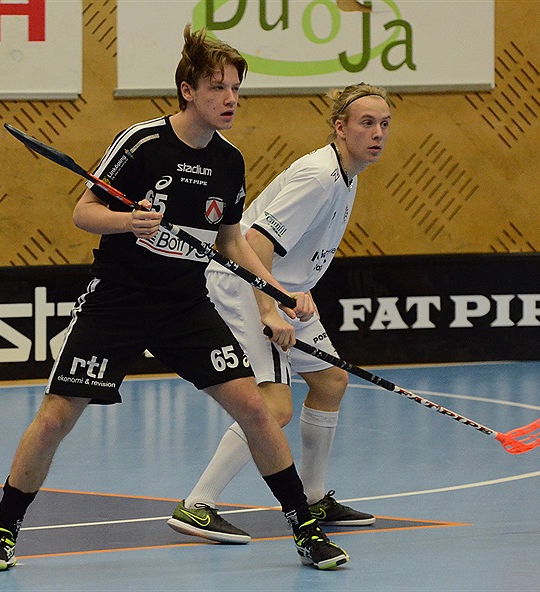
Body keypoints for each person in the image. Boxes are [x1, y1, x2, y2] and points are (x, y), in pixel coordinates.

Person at [0, 25, 350, 572]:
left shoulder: (229, 161)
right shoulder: (142, 143)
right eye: (218, 88)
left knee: (256, 408)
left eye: (236, 89)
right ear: (187, 90)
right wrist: (128, 221)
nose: (230, 99)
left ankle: (306, 531)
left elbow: (231, 241)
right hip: (118, 302)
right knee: (56, 417)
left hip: (185, 306)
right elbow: (84, 212)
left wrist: (274, 291)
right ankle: (2, 533)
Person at [167, 83, 391, 544]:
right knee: (273, 407)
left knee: (330, 381)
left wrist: (292, 293)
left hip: (281, 290)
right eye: (366, 123)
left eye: (384, 124)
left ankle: (314, 498)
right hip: (247, 286)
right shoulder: (319, 177)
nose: (377, 133)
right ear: (340, 127)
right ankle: (198, 504)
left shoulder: (347, 174)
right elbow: (256, 242)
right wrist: (270, 310)